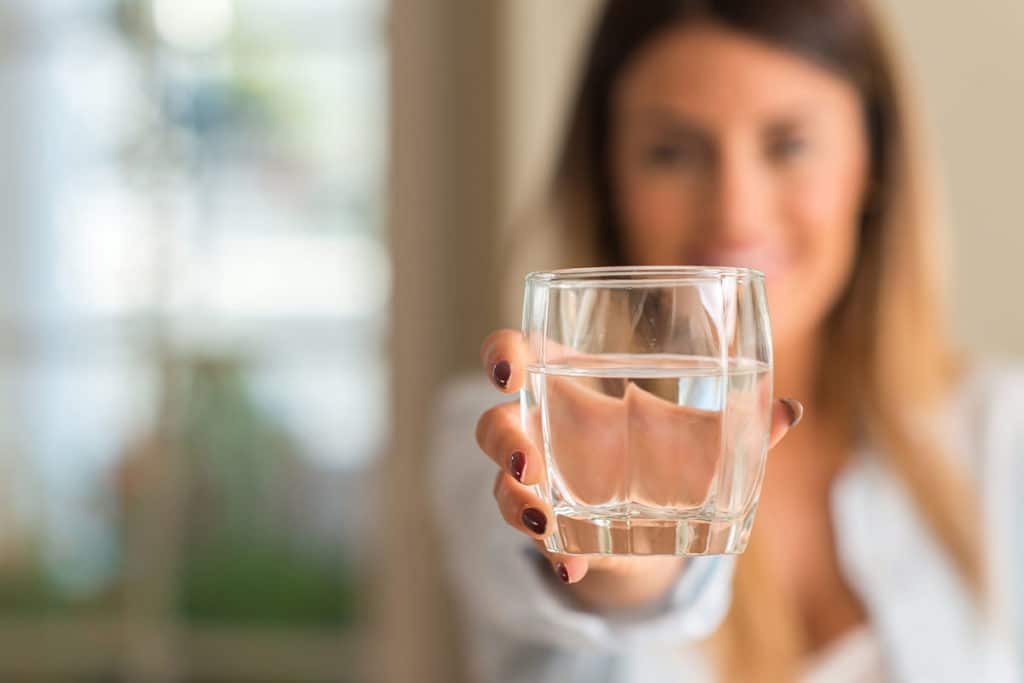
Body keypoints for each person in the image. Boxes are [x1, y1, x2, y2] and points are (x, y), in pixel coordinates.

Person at [430, 1, 1022, 680]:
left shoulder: (1000, 433)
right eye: (672, 152)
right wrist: (628, 557)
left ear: (875, 162)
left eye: (788, 145)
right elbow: (562, 592)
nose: (735, 210)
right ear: (607, 176)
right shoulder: (506, 429)